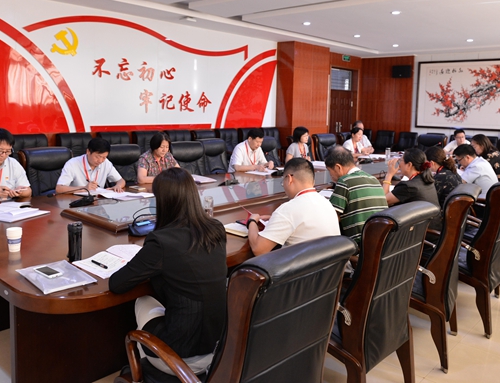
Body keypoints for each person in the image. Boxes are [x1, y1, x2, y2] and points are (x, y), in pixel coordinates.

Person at [109, 168, 226, 376]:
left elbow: (117, 284)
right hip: (221, 349)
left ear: (162, 202)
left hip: (180, 358)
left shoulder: (161, 241)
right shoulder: (216, 228)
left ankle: (147, 370)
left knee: (142, 300)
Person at [247, 158, 339, 256]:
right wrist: (276, 219)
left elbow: (258, 249)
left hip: (303, 266)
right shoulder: (326, 202)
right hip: (331, 265)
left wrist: (252, 221)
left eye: (283, 181)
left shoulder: (288, 209)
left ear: (289, 179)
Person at [325, 146, 387, 239]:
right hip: (381, 239)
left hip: (359, 242)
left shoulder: (345, 181)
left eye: (329, 171)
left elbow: (331, 218)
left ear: (338, 167)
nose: (330, 176)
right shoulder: (373, 179)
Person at [55, 137, 125, 194]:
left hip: (98, 201)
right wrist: (84, 188)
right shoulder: (72, 163)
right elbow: (59, 189)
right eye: (97, 157)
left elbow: (121, 180)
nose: (100, 161)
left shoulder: (106, 163)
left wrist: (118, 186)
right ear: (88, 151)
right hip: (76, 201)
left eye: (104, 157)